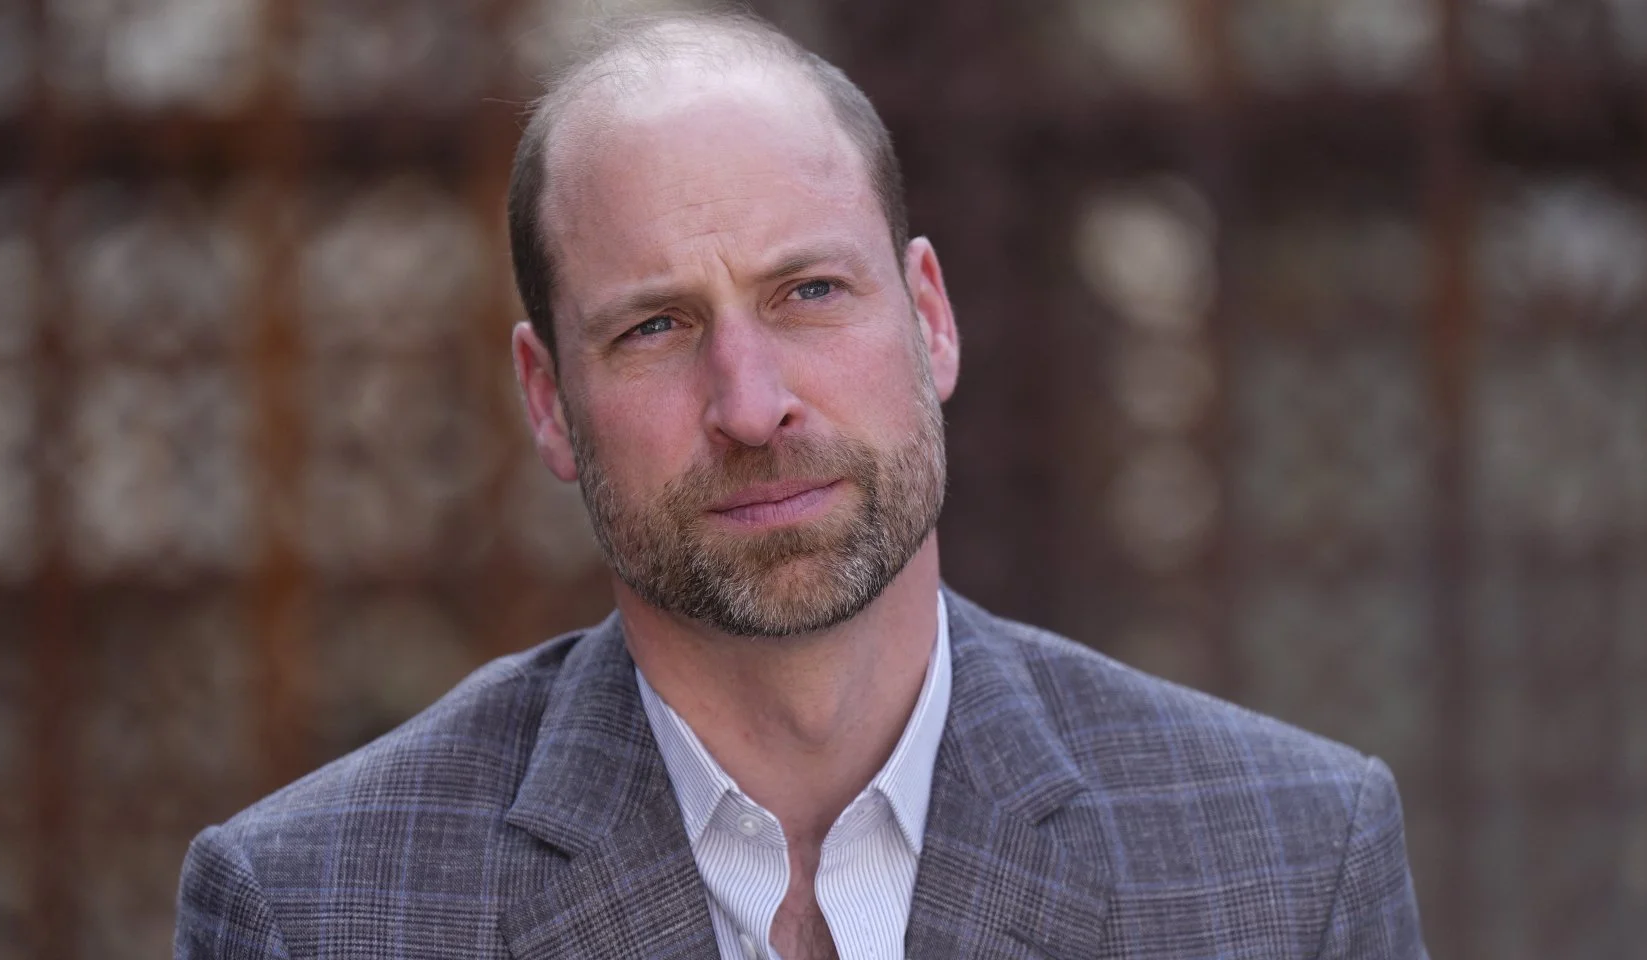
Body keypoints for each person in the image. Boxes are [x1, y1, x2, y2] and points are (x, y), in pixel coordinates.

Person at [174, 11, 1427, 960]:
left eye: (810, 293)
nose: (751, 402)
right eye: (655, 327)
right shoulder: (311, 911)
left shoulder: (1291, 868)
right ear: (548, 400)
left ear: (929, 319)